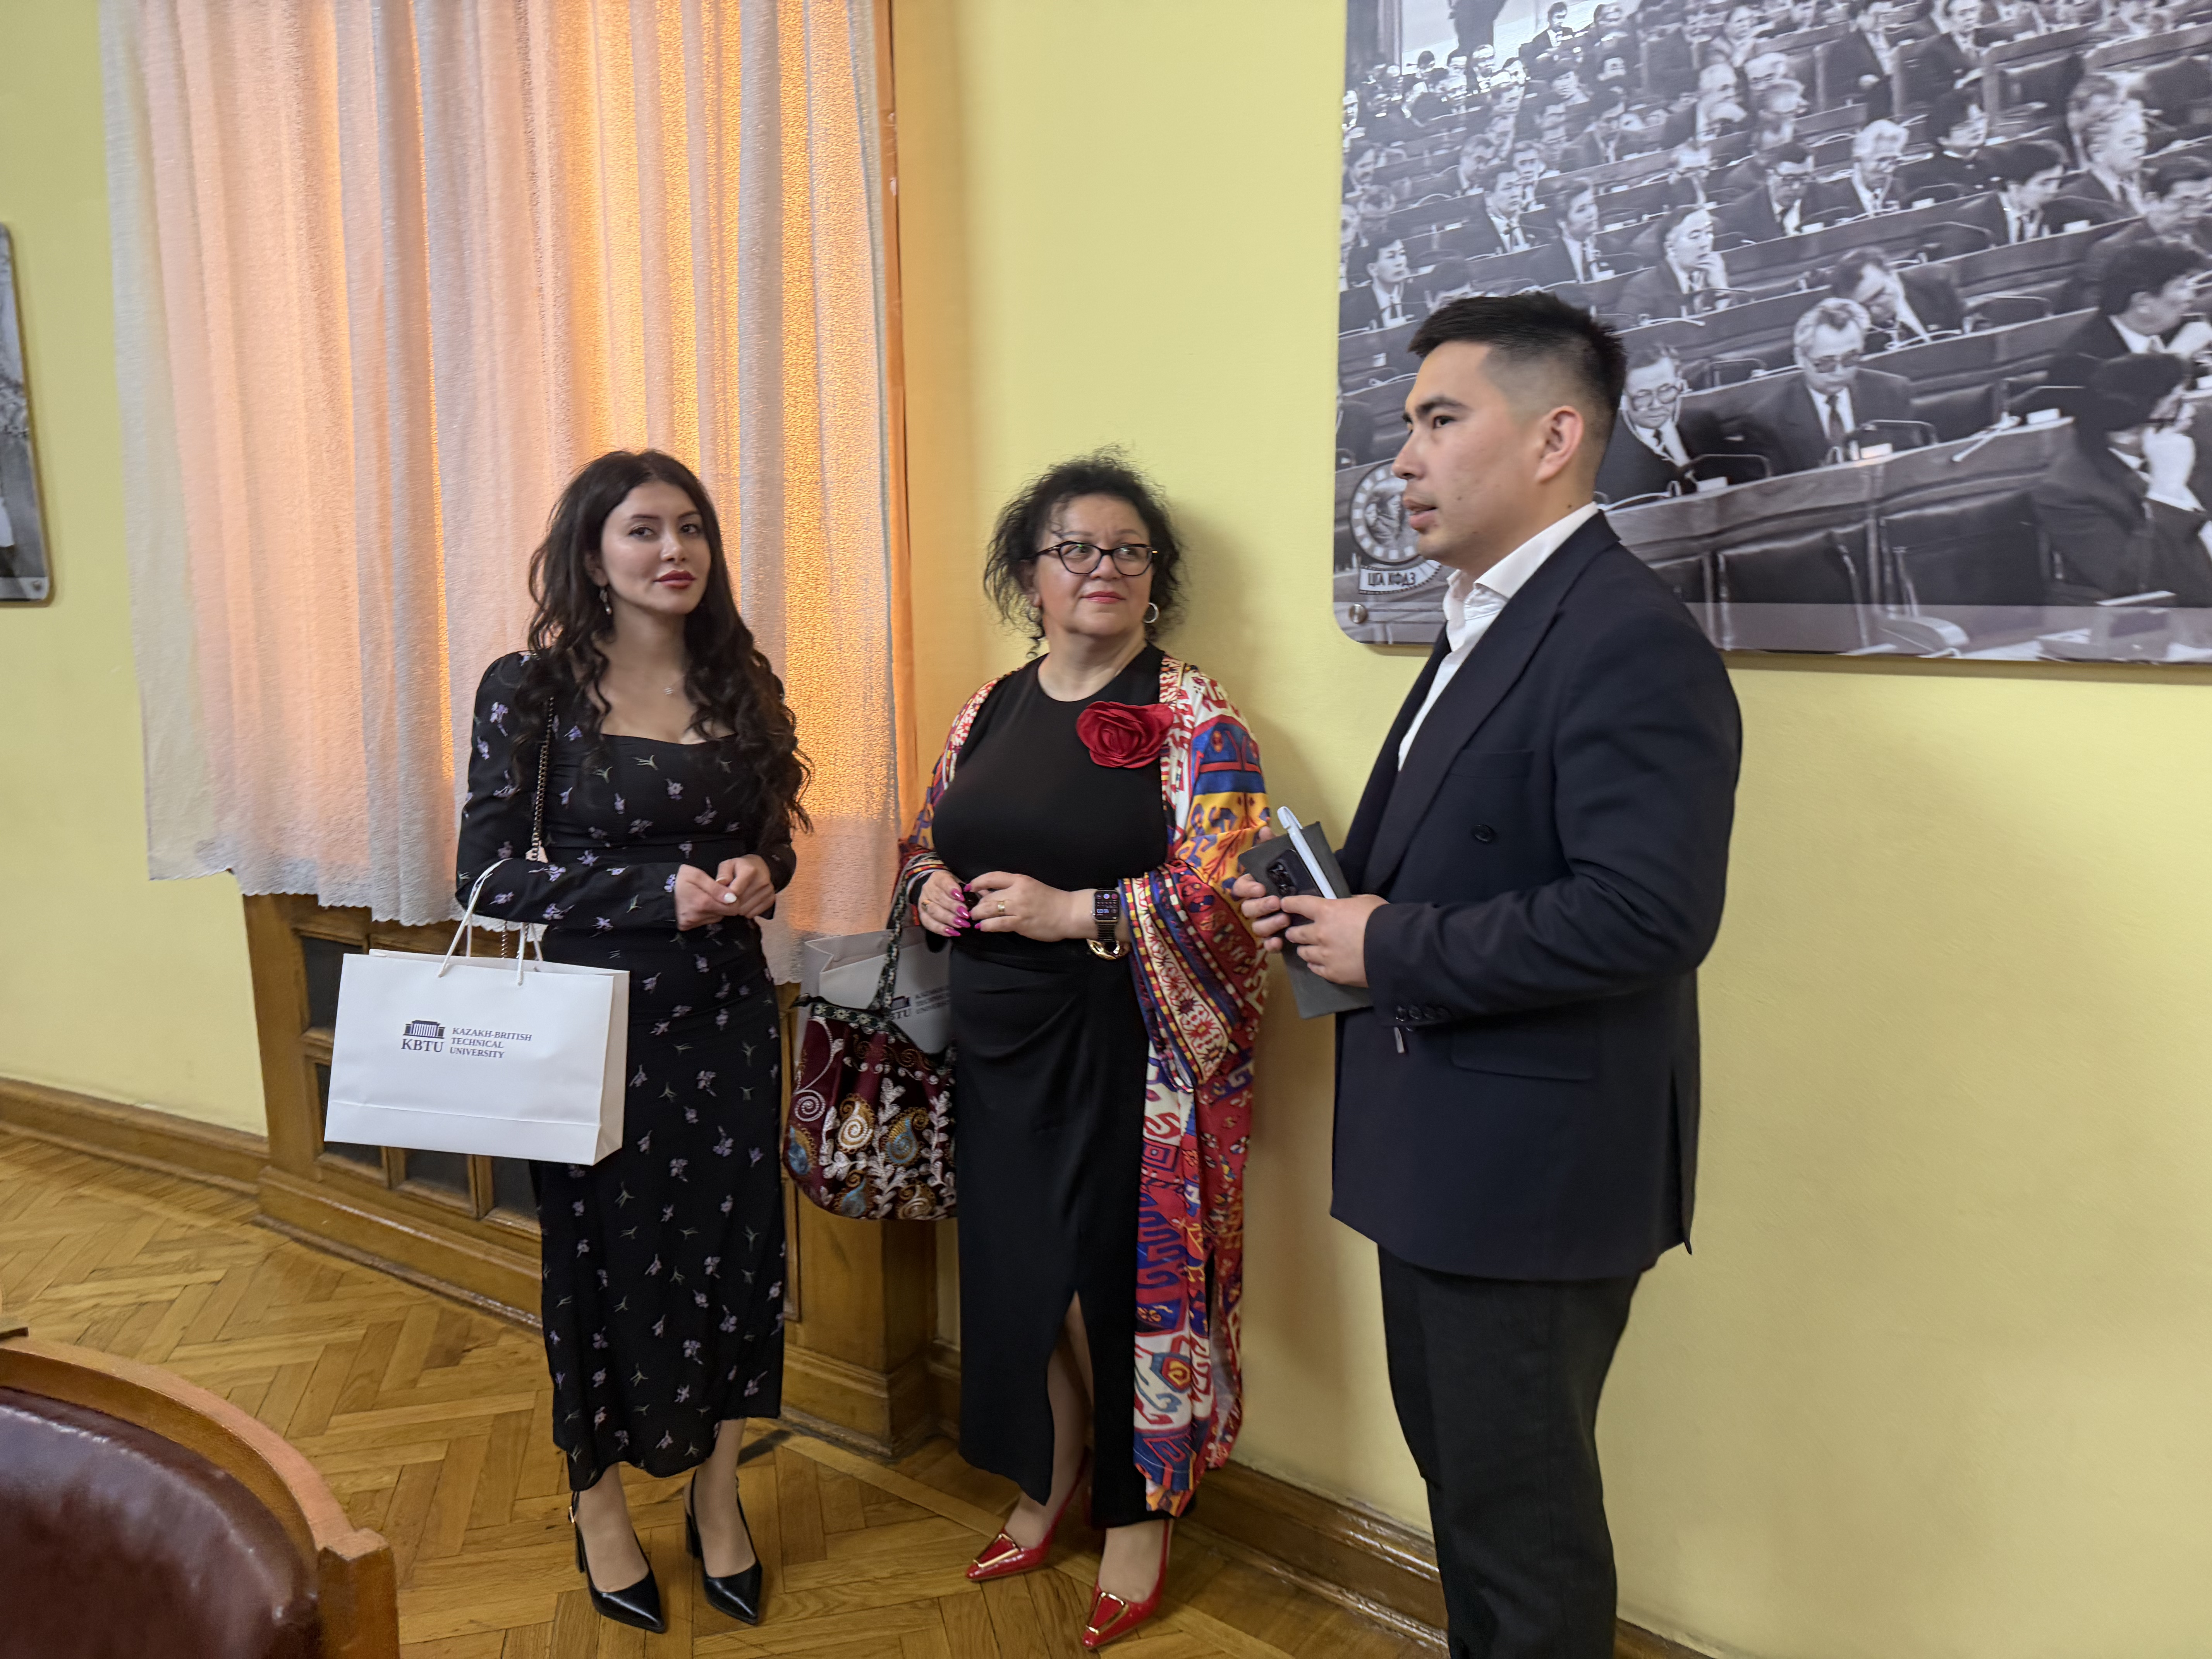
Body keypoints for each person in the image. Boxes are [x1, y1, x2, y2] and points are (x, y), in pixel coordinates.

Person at [1235, 292, 1741, 1659]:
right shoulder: (1492, 616)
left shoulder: (1622, 635)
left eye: (1439, 420)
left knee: (1521, 1533)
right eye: (1407, 425)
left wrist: (1386, 943)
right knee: (1471, 1500)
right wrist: (1324, 897)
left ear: (1553, 437)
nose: (1400, 459)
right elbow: (1473, 853)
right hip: (1448, 1150)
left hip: (1530, 1173)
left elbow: (1647, 914)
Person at [899, 455, 1270, 1653]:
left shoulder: (1196, 716)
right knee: (1020, 1279)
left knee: (1117, 1283)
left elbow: (1232, 894)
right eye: (1075, 548)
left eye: (1127, 551)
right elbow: (927, 838)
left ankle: (1136, 1515)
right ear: (1031, 577)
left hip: (1127, 1051)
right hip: (997, 1048)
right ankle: (1050, 1469)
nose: (1102, 568)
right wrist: (931, 885)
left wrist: (1079, 913)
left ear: (1154, 580)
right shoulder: (989, 709)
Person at [455, 450, 806, 1635]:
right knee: (598, 1262)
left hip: (728, 1019)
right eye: (644, 529)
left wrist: (760, 872)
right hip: (591, 1027)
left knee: (733, 1257)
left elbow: (772, 840)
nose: (674, 550)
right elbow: (484, 879)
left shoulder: (741, 680)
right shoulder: (530, 691)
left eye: (691, 527)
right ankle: (596, 1502)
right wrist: (654, 897)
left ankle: (717, 1493)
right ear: (593, 556)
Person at [2032, 352, 2212, 603]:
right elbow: (2137, 584)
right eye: (2175, 407)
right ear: (2125, 435)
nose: (2188, 413)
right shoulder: (2066, 493)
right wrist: (2167, 490)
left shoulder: (2202, 425)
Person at [1733, 298, 1917, 473]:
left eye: (1850, 359)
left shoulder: (1892, 392)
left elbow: (1911, 467)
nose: (1839, 372)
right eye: (1826, 363)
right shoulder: (1768, 421)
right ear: (1800, 358)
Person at [2051, 238, 2212, 392]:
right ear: (2143, 303)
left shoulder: (2174, 326)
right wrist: (2177, 357)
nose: (2191, 297)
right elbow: (2132, 406)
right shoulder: (2081, 362)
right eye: (2180, 287)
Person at [2063, 155, 2212, 310]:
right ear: (2151, 201)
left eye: (2204, 201)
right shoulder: (2112, 251)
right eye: (2183, 203)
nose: (2193, 214)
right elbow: (2102, 314)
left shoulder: (2209, 227)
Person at [1595, 344, 1723, 499]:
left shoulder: (1704, 424)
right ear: (1621, 398)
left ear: (1680, 384)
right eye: (1643, 396)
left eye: (1666, 390)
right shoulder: (1605, 453)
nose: (1657, 405)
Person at [1615, 204, 1733, 323]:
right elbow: (1628, 329)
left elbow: (1734, 326)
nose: (1706, 243)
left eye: (1708, 233)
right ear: (1670, 248)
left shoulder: (1716, 273)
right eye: (1695, 236)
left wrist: (1722, 290)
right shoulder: (1642, 288)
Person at [1828, 246, 1965, 349]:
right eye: (1862, 307)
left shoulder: (1936, 282)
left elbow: (1967, 324)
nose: (1874, 311)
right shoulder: (1851, 328)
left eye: (1878, 296)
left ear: (1892, 276)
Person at [1953, 139, 2068, 245]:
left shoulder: (2058, 210)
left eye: (2057, 182)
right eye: (2044, 184)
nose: (2053, 191)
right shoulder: (1972, 221)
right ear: (2014, 186)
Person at [1804, 119, 1909, 221]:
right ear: (1858, 159)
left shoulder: (1902, 191)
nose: (1889, 170)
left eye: (1895, 162)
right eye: (1881, 160)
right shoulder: (1832, 201)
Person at [1898, 91, 1989, 199]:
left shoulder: (1999, 157)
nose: (1977, 128)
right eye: (1965, 125)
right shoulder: (1927, 178)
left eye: (1980, 119)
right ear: (1943, 139)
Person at [1716, 143, 1816, 241]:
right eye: (1788, 179)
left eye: (1804, 179)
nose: (1796, 187)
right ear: (1770, 176)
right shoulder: (1740, 215)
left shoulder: (1823, 198)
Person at [1819, 0, 1900, 122]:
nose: (1882, 21)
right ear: (1862, 16)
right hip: (1873, 106)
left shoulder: (1895, 37)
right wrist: (1858, 84)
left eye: (1887, 15)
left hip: (1899, 93)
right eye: (1877, 15)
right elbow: (1833, 88)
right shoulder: (1845, 47)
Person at [1528, 183, 1616, 286]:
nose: (1592, 213)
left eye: (1592, 204)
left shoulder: (1614, 248)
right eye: (1581, 210)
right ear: (1563, 223)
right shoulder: (1542, 263)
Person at [1342, 237, 1422, 333]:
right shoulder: (1354, 309)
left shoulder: (1419, 296)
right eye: (1391, 257)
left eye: (1402, 254)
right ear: (1373, 269)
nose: (1400, 262)